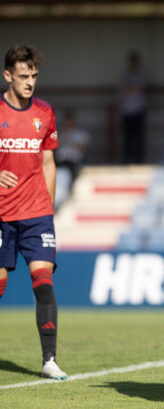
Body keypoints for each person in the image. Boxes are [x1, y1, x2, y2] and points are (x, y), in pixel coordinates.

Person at [0, 45, 67, 380]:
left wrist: (49, 208)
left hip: (37, 213)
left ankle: (49, 359)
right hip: (1, 213)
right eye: (24, 76)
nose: (30, 83)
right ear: (8, 75)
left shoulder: (45, 111)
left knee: (44, 282)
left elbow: (49, 162)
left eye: (34, 76)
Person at [119, 50, 147, 163]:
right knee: (127, 136)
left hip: (139, 110)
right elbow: (123, 89)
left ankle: (139, 160)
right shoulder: (125, 75)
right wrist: (132, 88)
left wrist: (131, 88)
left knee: (139, 136)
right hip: (126, 110)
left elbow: (139, 88)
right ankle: (126, 159)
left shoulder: (141, 75)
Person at [55, 108, 90, 181]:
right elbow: (56, 146)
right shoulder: (60, 133)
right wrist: (66, 133)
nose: (69, 121)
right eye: (67, 119)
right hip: (61, 160)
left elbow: (82, 148)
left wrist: (70, 142)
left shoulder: (81, 133)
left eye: (70, 118)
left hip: (75, 160)